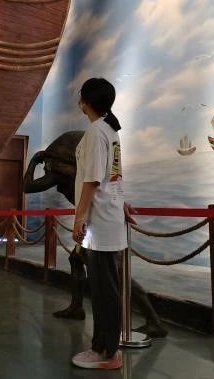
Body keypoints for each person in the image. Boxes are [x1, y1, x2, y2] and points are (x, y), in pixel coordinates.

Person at [71, 77, 127, 370]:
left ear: (87, 101)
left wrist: (79, 218)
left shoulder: (96, 132)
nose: (78, 100)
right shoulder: (109, 130)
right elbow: (112, 178)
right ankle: (105, 347)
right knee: (106, 288)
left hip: (100, 222)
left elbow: (92, 180)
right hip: (108, 218)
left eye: (81, 95)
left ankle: (106, 351)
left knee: (104, 290)